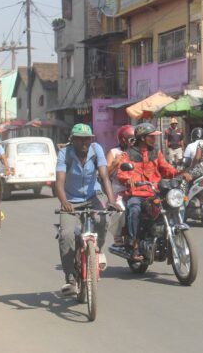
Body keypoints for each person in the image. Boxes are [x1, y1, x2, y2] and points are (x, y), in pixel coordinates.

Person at [55, 123, 117, 295]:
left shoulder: (96, 150)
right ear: (73, 140)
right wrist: (65, 202)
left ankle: (98, 249)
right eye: (80, 139)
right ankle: (70, 277)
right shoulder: (64, 153)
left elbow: (104, 177)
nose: (84, 143)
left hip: (93, 195)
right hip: (71, 200)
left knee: (103, 219)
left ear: (91, 140)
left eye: (87, 139)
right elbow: (59, 183)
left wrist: (111, 200)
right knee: (66, 235)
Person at [117, 123, 189, 261]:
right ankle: (135, 244)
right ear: (143, 138)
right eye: (152, 136)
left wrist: (180, 172)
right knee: (134, 209)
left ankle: (172, 233)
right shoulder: (128, 154)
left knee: (177, 204)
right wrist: (128, 179)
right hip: (137, 193)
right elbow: (122, 172)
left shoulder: (156, 152)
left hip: (155, 192)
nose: (155, 139)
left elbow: (166, 168)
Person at [106, 125, 134, 247]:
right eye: (132, 139)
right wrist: (115, 163)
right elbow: (105, 173)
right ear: (123, 139)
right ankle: (117, 235)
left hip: (138, 189)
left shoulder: (138, 151)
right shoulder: (114, 152)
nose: (134, 142)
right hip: (119, 190)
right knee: (119, 210)